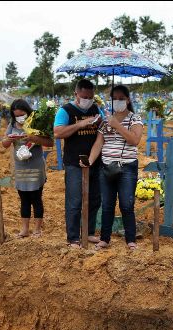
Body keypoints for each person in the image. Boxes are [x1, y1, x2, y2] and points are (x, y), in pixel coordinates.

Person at [89, 85, 144, 250]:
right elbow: (99, 143)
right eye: (115, 99)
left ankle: (130, 240)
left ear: (128, 100)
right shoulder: (106, 121)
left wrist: (117, 125)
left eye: (121, 98)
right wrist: (90, 161)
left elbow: (134, 140)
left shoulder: (134, 118)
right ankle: (104, 239)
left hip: (126, 167)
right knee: (107, 204)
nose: (118, 101)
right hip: (106, 167)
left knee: (126, 204)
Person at [54, 79, 105, 248]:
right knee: (74, 201)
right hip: (74, 163)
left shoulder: (95, 109)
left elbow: (102, 128)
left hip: (95, 162)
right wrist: (80, 124)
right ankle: (73, 237)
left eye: (90, 97)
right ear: (76, 94)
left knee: (95, 199)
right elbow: (58, 132)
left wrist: (101, 121)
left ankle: (88, 232)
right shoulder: (65, 111)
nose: (87, 100)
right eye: (84, 97)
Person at [2, 99, 53, 238]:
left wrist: (33, 138)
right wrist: (9, 139)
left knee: (36, 197)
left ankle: (37, 229)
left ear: (27, 112)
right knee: (24, 198)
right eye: (17, 115)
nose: (20, 117)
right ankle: (24, 229)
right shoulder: (12, 125)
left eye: (22, 114)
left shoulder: (36, 123)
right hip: (20, 167)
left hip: (35, 166)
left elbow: (50, 142)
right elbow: (4, 144)